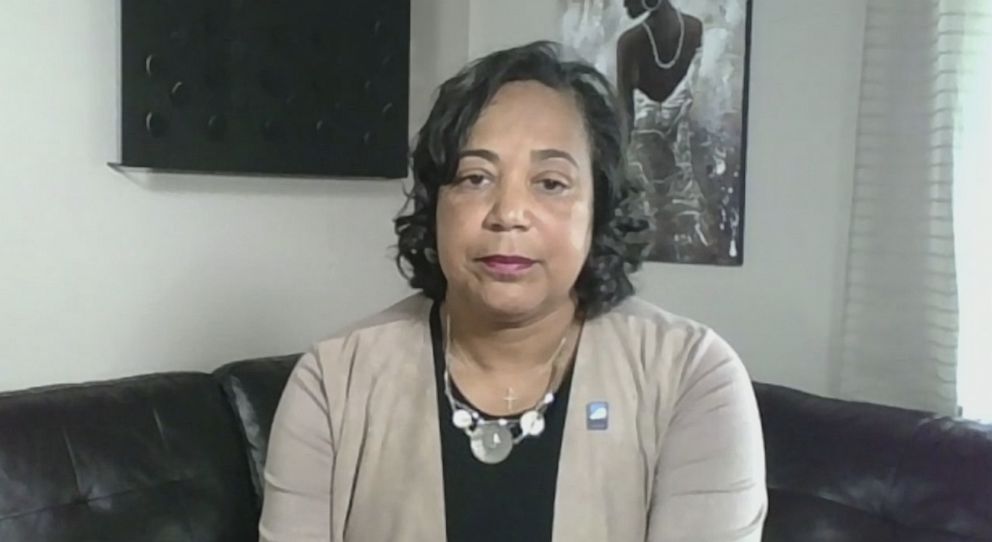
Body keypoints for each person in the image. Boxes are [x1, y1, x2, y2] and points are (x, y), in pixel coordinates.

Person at [259, 41, 766, 542]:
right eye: (475, 177)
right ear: (436, 204)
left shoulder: (694, 381)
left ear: (600, 209)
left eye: (550, 183)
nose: (508, 214)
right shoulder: (333, 383)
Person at [617, 0, 719, 263]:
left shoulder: (697, 31)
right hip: (647, 184)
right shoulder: (630, 42)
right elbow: (622, 121)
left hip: (691, 183)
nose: (624, 3)